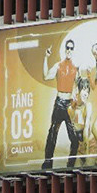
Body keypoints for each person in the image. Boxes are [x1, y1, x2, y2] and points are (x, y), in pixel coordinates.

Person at [40, 37, 83, 170]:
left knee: (74, 138)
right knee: (52, 133)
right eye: (67, 48)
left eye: (71, 48)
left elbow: (79, 87)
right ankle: (47, 163)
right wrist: (46, 58)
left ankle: (70, 165)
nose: (69, 50)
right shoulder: (58, 65)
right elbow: (46, 76)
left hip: (69, 105)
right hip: (59, 103)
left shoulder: (76, 68)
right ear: (65, 49)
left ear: (73, 50)